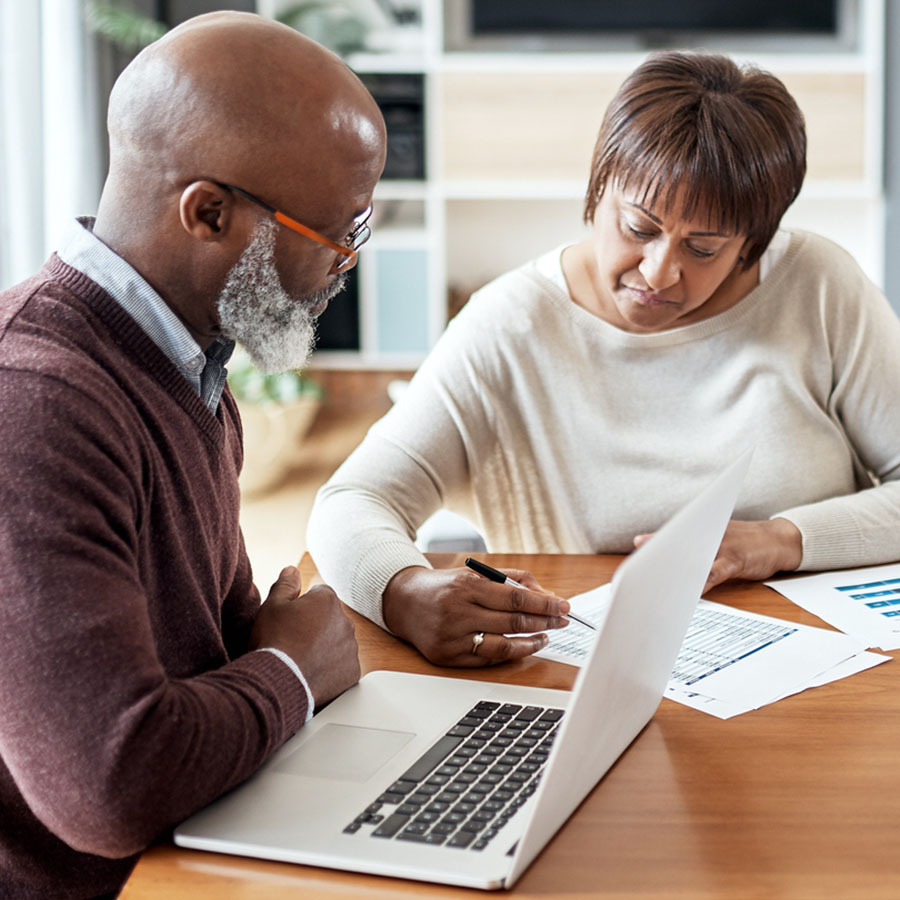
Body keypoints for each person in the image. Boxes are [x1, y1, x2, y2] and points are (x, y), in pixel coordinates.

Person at [307, 50, 900, 667]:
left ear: (754, 243)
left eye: (703, 248)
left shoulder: (818, 286)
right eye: (639, 228)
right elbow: (352, 499)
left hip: (832, 663)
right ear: (599, 188)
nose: (659, 272)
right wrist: (402, 591)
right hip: (592, 675)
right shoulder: (509, 327)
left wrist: (779, 540)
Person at [0, 12, 385, 899]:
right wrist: (293, 671)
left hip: (195, 840)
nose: (345, 268)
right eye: (338, 235)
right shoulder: (37, 406)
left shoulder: (185, 364)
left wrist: (285, 653)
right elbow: (109, 783)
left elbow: (223, 642)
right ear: (209, 212)